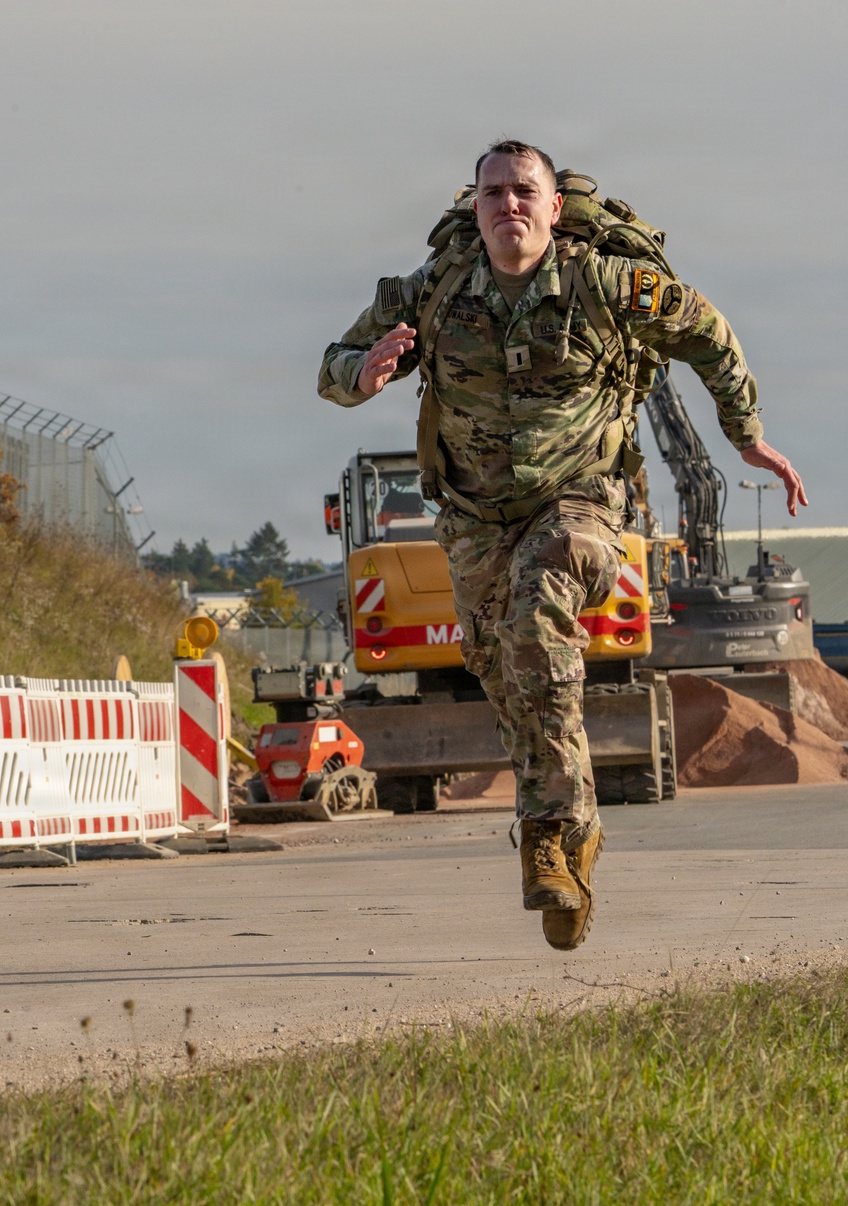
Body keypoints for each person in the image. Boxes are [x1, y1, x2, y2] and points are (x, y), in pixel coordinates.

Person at [318, 140, 807, 951]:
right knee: (501, 664)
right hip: (475, 518)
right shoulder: (433, 292)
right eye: (493, 194)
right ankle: (576, 833)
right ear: (473, 209)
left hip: (578, 504)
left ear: (552, 208)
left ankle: (548, 829)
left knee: (540, 618)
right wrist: (359, 376)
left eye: (523, 193)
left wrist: (745, 436)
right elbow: (331, 365)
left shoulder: (608, 285)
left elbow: (708, 332)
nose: (508, 206)